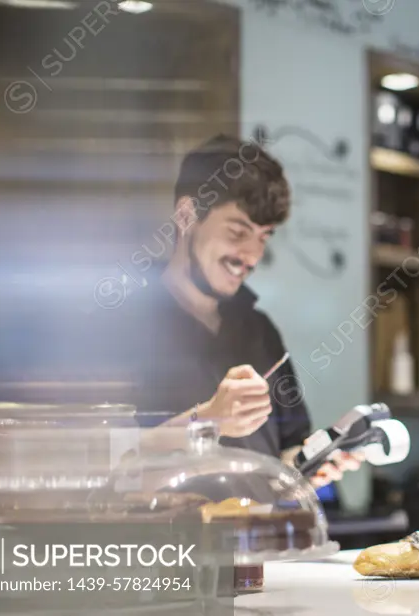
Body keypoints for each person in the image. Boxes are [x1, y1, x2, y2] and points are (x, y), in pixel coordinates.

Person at [106, 134, 359, 488]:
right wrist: (208, 421)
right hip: (167, 541)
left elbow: (287, 450)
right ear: (186, 215)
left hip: (261, 538)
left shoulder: (259, 330)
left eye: (263, 236)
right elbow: (104, 459)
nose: (252, 256)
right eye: (238, 231)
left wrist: (312, 462)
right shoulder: (117, 326)